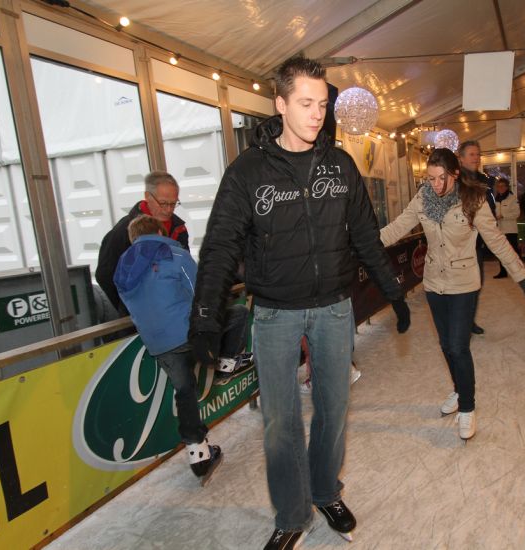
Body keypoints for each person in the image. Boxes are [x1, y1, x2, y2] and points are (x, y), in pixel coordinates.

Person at [188, 56, 410, 549]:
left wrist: (393, 291)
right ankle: (292, 515)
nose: (316, 114)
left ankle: (326, 490)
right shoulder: (248, 172)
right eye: (306, 103)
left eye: (322, 104)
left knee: (333, 408)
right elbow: (220, 247)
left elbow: (366, 237)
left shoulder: (340, 165)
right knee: (280, 422)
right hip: (274, 313)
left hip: (334, 308)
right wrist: (204, 317)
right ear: (280, 104)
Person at [379, 148, 525, 441]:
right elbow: (397, 227)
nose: (436, 185)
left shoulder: (473, 199)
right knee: (445, 344)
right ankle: (458, 388)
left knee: (458, 346)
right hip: (434, 283)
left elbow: (496, 240)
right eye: (431, 178)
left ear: (454, 174)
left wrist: (521, 275)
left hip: (463, 283)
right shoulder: (423, 197)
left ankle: (467, 407)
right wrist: (365, 244)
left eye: (441, 178)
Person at [113, 215, 223, 485]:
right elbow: (200, 293)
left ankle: (198, 453)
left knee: (184, 391)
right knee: (238, 315)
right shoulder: (175, 254)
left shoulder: (122, 266)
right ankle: (227, 362)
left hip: (157, 342)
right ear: (161, 232)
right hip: (187, 332)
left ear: (132, 238)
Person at [96, 171, 188, 313]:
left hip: (173, 311)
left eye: (173, 203)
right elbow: (105, 274)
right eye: (163, 203)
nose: (168, 210)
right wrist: (130, 306)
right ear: (147, 197)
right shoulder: (123, 231)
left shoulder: (179, 229)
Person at [457, 140, 493, 335]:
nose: (476, 158)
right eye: (471, 154)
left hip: (477, 243)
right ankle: (459, 324)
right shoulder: (454, 181)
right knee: (459, 287)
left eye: (478, 154)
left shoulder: (485, 181)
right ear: (461, 158)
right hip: (458, 243)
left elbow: (490, 208)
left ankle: (469, 321)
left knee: (477, 283)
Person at [493, 177, 520, 279]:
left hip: (510, 230)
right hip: (499, 230)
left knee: (513, 252)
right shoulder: (495, 199)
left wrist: (503, 216)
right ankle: (503, 271)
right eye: (498, 186)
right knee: (501, 252)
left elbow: (516, 213)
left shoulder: (513, 198)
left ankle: (517, 271)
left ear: (507, 187)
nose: (500, 188)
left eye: (502, 186)